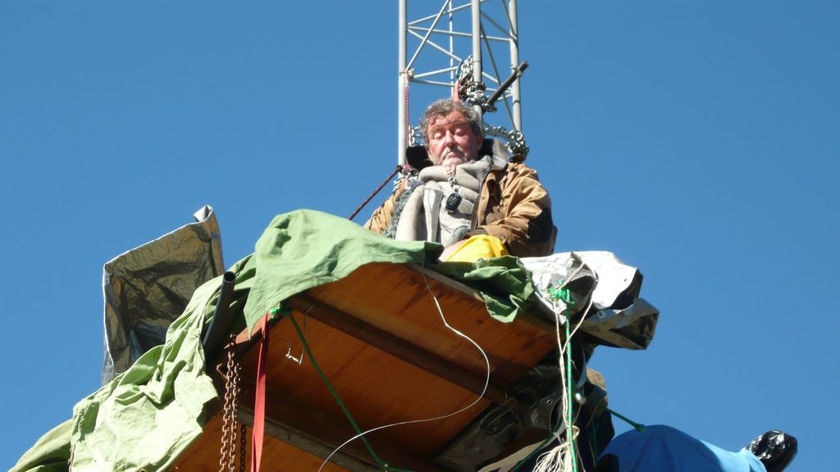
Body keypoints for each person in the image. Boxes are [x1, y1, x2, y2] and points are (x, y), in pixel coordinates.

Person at [365, 98, 557, 260]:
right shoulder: (404, 194)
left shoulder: (508, 177)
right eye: (438, 135)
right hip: (405, 281)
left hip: (474, 284)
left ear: (478, 140)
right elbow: (365, 240)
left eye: (458, 131)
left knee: (483, 246)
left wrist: (470, 242)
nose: (449, 141)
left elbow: (535, 224)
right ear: (428, 151)